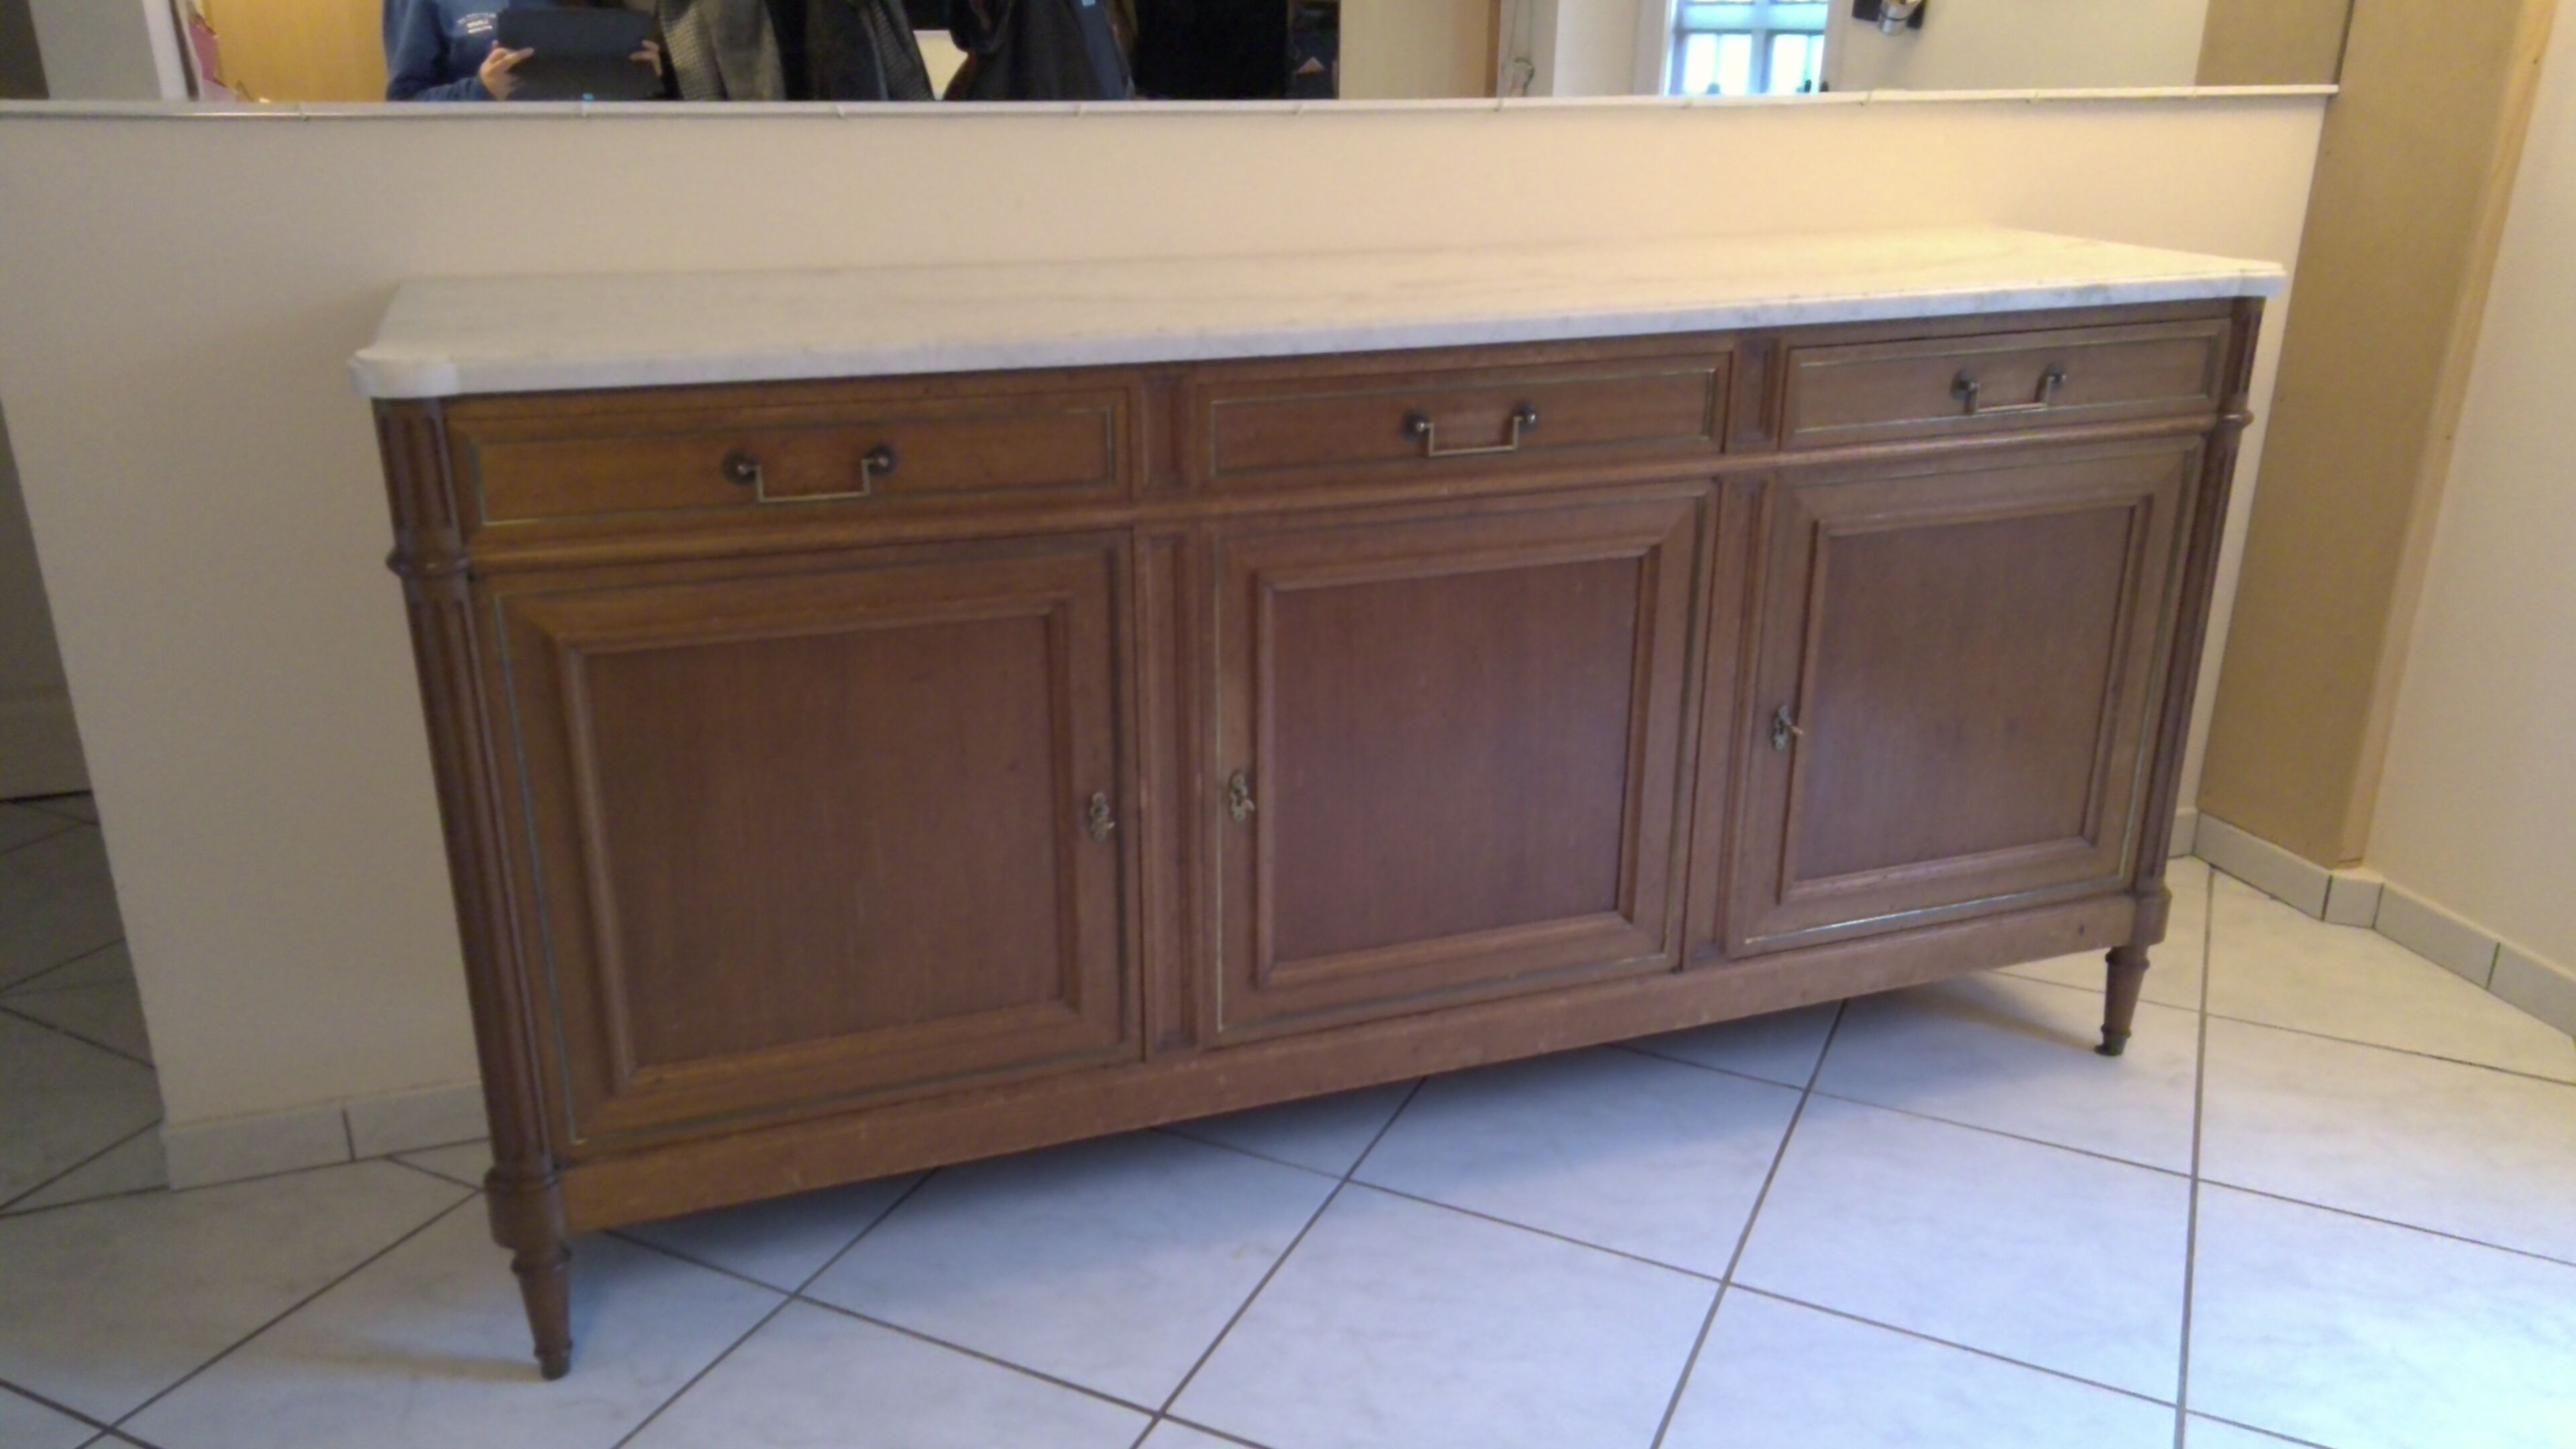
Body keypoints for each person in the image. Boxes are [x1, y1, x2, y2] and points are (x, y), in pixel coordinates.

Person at [386, 1, 661, 101]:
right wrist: (482, 90)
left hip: (589, 167)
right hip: (477, 169)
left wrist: (642, 79)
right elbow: (405, 104)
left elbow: (598, 96)